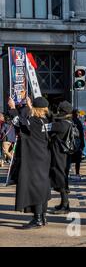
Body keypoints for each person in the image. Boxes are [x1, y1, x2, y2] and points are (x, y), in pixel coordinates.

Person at [8, 96, 52, 229]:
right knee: (42, 186)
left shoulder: (35, 122)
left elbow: (18, 122)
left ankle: (37, 218)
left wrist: (12, 108)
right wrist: (29, 106)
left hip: (34, 158)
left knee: (35, 187)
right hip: (44, 157)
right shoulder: (47, 120)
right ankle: (42, 216)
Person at [48, 101, 74, 214]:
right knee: (63, 178)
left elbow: (48, 127)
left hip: (59, 155)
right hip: (65, 155)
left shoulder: (61, 124)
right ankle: (64, 204)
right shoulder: (69, 122)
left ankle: (65, 206)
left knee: (61, 179)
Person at [69, 109, 85, 181]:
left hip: (70, 143)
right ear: (77, 114)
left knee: (69, 158)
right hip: (78, 142)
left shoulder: (70, 121)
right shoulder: (79, 122)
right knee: (78, 160)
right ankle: (77, 173)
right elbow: (81, 133)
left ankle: (68, 173)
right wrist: (82, 143)